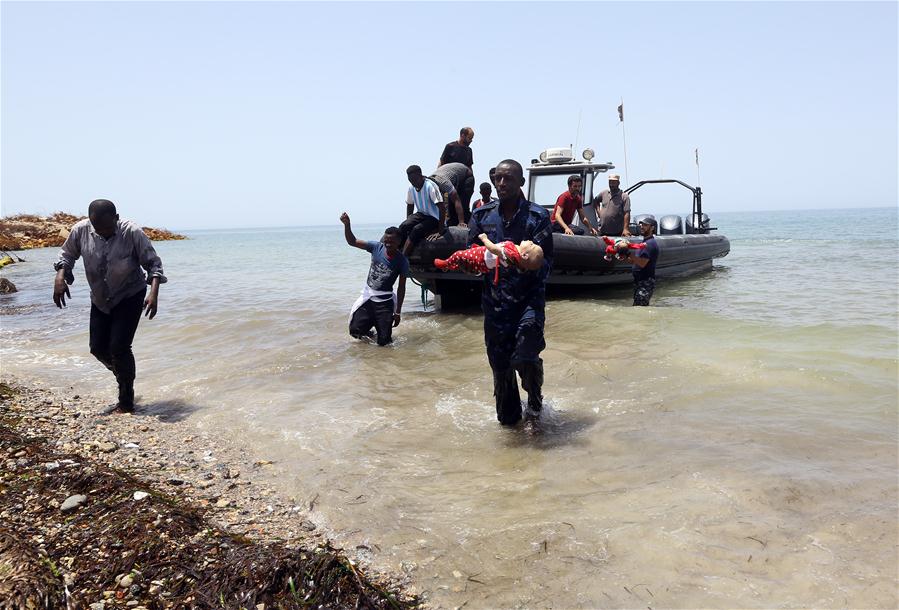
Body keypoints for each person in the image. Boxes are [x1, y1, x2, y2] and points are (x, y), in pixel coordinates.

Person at [52, 199, 166, 414]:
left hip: (130, 294)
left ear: (116, 218)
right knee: (97, 348)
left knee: (120, 348)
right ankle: (123, 375)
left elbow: (153, 264)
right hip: (100, 297)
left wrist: (154, 293)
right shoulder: (81, 230)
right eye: (98, 229)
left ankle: (126, 402)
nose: (103, 233)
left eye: (107, 228)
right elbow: (66, 256)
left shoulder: (131, 232)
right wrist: (60, 278)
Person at [467, 159, 554, 426]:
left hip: (528, 299)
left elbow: (545, 261)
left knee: (525, 355)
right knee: (501, 366)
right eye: (498, 179)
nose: (502, 184)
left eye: (509, 179)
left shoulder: (537, 217)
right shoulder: (481, 217)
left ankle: (535, 398)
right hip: (495, 305)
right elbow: (471, 255)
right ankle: (510, 420)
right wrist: (480, 261)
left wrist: (518, 258)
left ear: (521, 183)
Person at [341, 212, 408, 346]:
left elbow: (401, 287)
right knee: (355, 332)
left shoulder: (402, 261)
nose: (388, 244)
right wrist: (347, 225)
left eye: (392, 242)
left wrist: (398, 312)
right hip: (369, 298)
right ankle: (371, 333)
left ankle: (381, 330)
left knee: (384, 343)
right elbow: (352, 241)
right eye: (386, 241)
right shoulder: (376, 247)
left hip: (385, 302)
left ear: (399, 242)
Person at [434, 232, 544, 285]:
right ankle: (451, 266)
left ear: (524, 255)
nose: (530, 241)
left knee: (459, 254)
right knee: (465, 261)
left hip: (481, 257)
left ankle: (445, 263)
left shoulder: (509, 254)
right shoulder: (516, 256)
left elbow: (493, 249)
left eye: (532, 245)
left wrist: (484, 239)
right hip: (484, 260)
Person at [398, 165, 445, 256]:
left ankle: (404, 257)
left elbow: (442, 208)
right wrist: (409, 221)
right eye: (410, 181)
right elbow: (410, 205)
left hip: (434, 217)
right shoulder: (411, 188)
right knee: (404, 226)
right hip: (421, 214)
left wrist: (440, 231)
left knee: (417, 229)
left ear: (420, 175)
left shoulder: (430, 186)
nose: (413, 183)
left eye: (415, 180)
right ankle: (398, 250)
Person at [621, 216, 660, 306]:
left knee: (640, 307)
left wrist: (628, 254)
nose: (642, 227)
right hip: (639, 282)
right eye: (641, 225)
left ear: (652, 228)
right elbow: (634, 261)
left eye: (645, 225)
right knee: (638, 306)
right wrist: (624, 255)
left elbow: (642, 263)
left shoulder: (650, 244)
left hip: (645, 283)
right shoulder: (643, 243)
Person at [430, 162, 474, 226]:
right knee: (449, 208)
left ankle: (466, 223)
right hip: (453, 177)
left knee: (462, 204)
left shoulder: (443, 183)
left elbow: (456, 199)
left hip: (466, 176)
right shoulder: (427, 187)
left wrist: (461, 222)